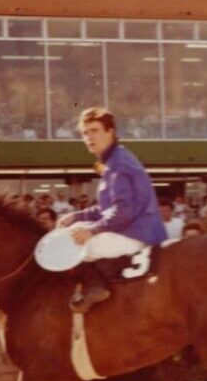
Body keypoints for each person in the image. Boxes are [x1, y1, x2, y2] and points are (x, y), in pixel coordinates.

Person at [58, 108, 167, 313]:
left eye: (94, 130)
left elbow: (123, 211)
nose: (89, 137)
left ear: (110, 131)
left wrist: (91, 231)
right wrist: (77, 216)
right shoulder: (114, 159)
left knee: (69, 245)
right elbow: (106, 208)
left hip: (136, 233)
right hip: (131, 228)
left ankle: (96, 286)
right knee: (75, 230)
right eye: (85, 133)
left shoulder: (118, 163)